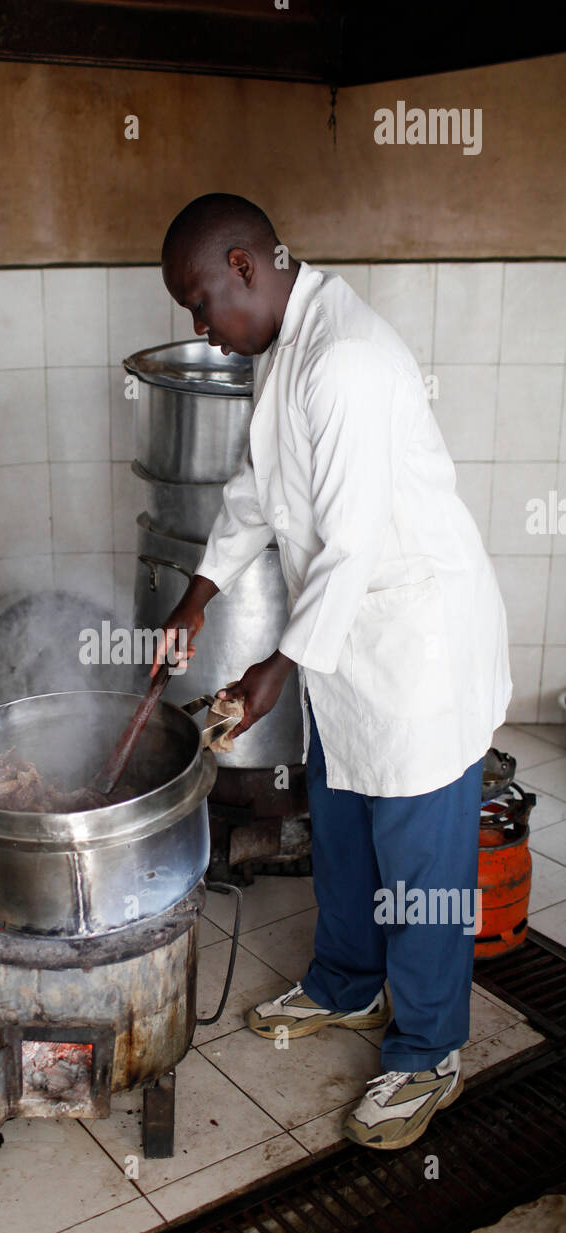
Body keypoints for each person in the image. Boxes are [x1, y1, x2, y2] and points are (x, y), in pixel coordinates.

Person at [151, 192, 512, 1150]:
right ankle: (347, 985)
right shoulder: (288, 348)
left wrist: (274, 668)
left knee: (422, 860)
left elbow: (349, 544)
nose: (201, 327)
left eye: (199, 302)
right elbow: (256, 492)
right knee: (345, 819)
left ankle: (430, 1049)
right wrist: (199, 593)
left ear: (242, 266)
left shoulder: (345, 359)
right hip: (350, 643)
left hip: (414, 644)